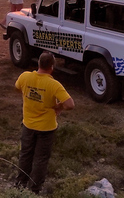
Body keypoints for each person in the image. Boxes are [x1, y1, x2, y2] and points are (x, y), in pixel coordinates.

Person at [14, 51, 74, 193]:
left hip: (28, 125)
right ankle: (34, 190)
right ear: (52, 67)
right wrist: (58, 106)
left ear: (39, 63)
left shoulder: (25, 77)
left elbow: (17, 87)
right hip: (46, 128)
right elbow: (70, 104)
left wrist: (29, 97)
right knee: (40, 159)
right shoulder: (54, 85)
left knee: (25, 155)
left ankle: (19, 186)